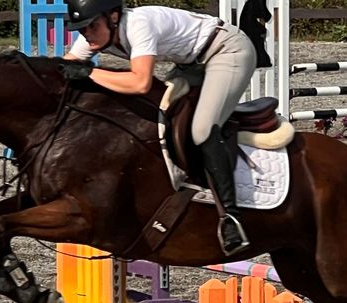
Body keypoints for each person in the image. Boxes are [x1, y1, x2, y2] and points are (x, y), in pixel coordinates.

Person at [62, 0, 258, 255]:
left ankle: (231, 218)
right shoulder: (94, 35)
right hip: (190, 65)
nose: (87, 34)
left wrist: (88, 73)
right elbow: (64, 68)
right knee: (153, 118)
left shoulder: (138, 24)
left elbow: (140, 82)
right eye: (81, 29)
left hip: (227, 50)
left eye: (91, 26)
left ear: (113, 17)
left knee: (201, 129)